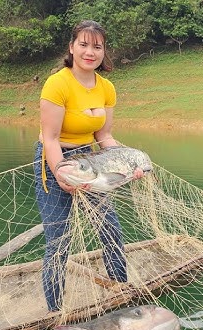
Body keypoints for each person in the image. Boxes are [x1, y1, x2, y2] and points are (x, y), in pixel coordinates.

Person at [33, 20, 142, 312]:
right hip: (54, 158)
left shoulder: (106, 88)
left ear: (103, 51)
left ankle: (120, 291)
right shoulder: (57, 83)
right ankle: (55, 310)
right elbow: (51, 139)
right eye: (83, 44)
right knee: (59, 239)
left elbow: (104, 136)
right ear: (72, 47)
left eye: (97, 46)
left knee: (110, 228)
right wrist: (60, 173)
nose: (90, 52)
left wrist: (130, 161)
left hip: (90, 159)